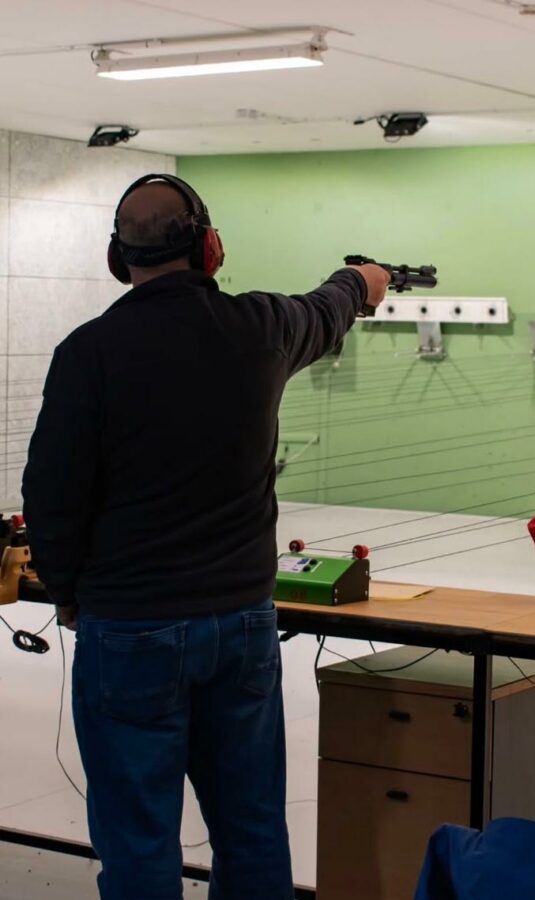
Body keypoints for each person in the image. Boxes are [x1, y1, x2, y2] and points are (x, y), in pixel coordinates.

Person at [21, 173, 390, 900]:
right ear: (212, 248)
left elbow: (52, 496)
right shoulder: (261, 328)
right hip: (240, 625)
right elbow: (329, 306)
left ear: (116, 259)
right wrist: (362, 280)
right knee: (251, 826)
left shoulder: (88, 352)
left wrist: (67, 592)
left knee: (138, 835)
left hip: (128, 627)